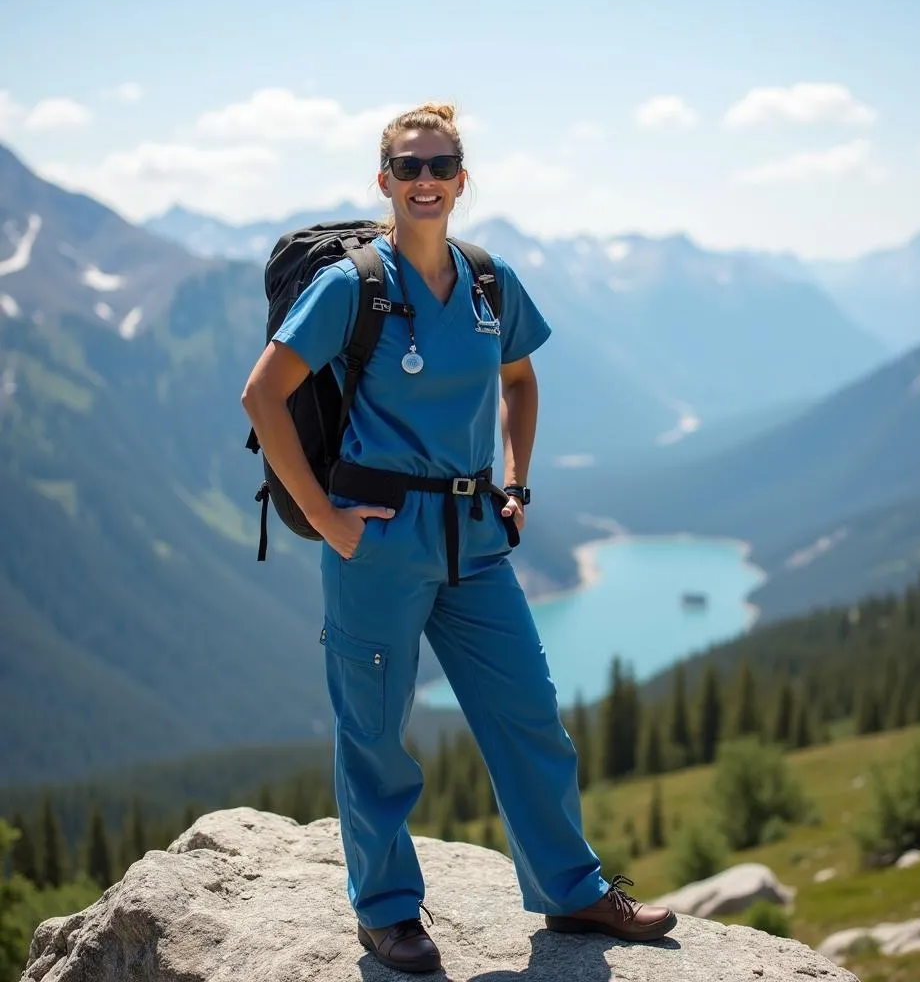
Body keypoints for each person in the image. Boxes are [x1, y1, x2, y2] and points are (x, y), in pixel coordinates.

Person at [240, 102, 677, 974]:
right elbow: (263, 396)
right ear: (385, 181)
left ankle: (572, 891)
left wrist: (516, 481)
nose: (427, 179)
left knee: (529, 715)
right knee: (374, 731)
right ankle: (386, 911)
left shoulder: (489, 282)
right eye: (409, 166)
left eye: (442, 163)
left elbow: (521, 382)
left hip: (475, 540)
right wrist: (325, 519)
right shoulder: (352, 286)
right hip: (380, 540)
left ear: (463, 178)